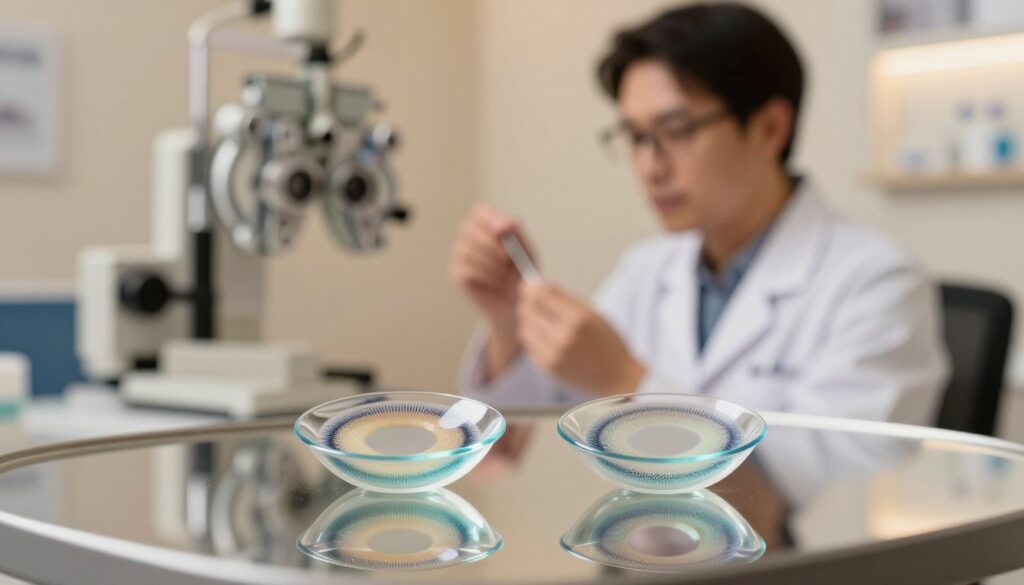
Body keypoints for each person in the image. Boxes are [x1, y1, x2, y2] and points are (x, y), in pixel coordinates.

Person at [450, 2, 949, 423]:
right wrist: (508, 322)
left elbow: (823, 493)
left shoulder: (877, 285)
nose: (649, 166)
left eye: (677, 131)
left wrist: (625, 381)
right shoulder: (646, 271)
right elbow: (520, 443)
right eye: (636, 137)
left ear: (770, 129)